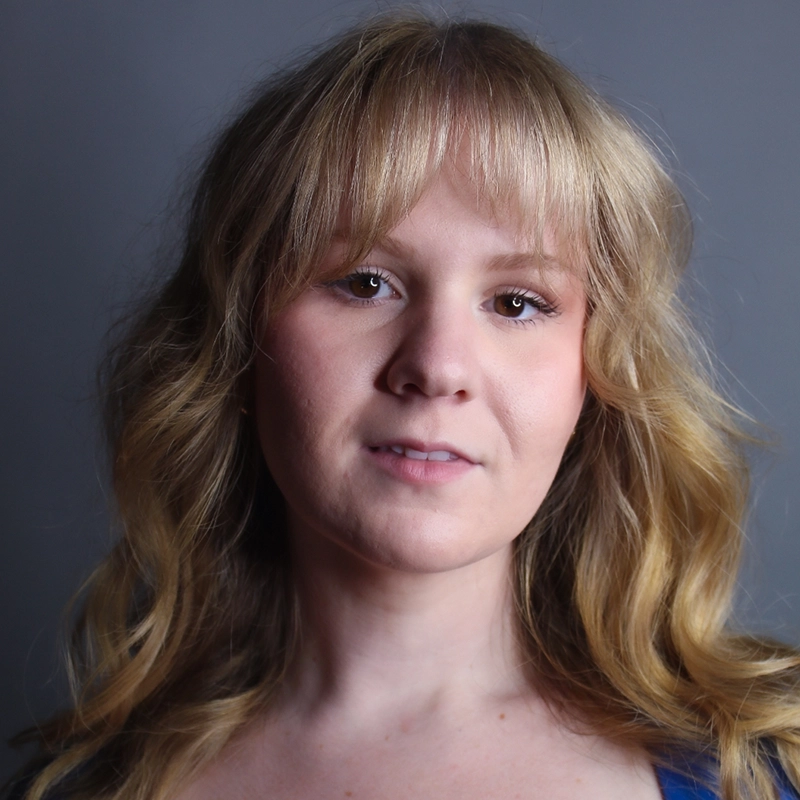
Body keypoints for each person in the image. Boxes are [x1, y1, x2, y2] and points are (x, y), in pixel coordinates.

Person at [7, 12, 800, 800]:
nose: (436, 366)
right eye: (364, 282)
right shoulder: (85, 790)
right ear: (238, 340)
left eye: (518, 302)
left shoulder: (761, 776)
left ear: (596, 377)